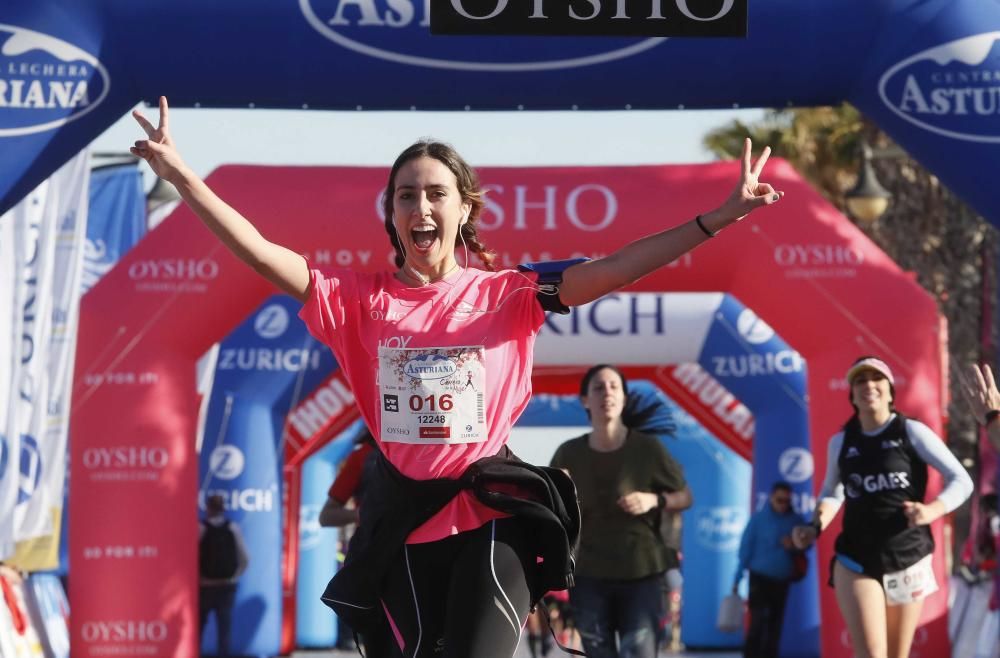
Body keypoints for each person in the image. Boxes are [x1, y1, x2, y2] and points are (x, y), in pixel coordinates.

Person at [131, 97, 782, 658]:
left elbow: (616, 268)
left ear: (463, 210)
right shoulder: (357, 300)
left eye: (436, 193)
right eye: (406, 195)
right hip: (399, 520)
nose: (421, 205)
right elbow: (260, 251)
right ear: (390, 214)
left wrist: (718, 218)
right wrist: (185, 175)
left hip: (488, 512)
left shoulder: (509, 294)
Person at [792, 356, 973, 658]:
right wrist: (814, 526)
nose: (869, 385)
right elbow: (833, 492)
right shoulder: (841, 441)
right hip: (856, 557)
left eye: (877, 379)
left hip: (907, 556)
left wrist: (931, 510)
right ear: (852, 395)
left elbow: (961, 480)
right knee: (873, 654)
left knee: (896, 655)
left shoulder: (910, 432)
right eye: (860, 381)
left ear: (890, 391)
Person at [549, 365, 693, 658]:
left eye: (614, 387)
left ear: (625, 398)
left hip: (641, 572)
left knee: (639, 652)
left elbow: (685, 497)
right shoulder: (568, 452)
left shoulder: (648, 449)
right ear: (585, 400)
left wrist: (654, 501)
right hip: (588, 573)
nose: (607, 393)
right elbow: (552, 508)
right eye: (598, 388)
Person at [733, 481, 807, 658]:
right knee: (757, 623)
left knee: (775, 625)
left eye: (786, 501)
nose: (782, 504)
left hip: (781, 580)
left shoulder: (796, 521)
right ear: (772, 498)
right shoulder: (758, 519)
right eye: (779, 500)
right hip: (759, 578)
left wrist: (794, 545)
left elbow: (806, 546)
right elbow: (745, 550)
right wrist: (737, 578)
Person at [199, 493, 250, 657]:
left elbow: (191, 557)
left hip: (205, 586)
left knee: (198, 628)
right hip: (227, 586)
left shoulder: (201, 528)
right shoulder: (232, 527)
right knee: (224, 629)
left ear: (208, 508)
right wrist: (233, 576)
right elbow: (245, 558)